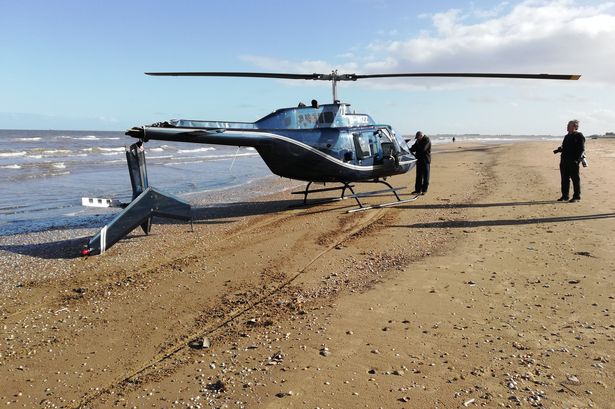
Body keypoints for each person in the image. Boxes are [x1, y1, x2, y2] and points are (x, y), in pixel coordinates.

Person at [553, 119, 585, 202]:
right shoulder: (567, 136)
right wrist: (560, 149)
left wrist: (577, 160)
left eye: (569, 125)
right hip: (564, 161)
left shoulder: (579, 136)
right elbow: (564, 147)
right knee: (564, 179)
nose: (567, 126)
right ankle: (565, 196)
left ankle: (577, 197)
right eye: (567, 125)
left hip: (573, 161)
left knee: (575, 179)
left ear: (574, 126)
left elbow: (581, 149)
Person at [409, 131, 431, 195]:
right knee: (418, 176)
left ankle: (424, 190)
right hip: (419, 160)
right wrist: (408, 149)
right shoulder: (418, 141)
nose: (417, 139)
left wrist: (416, 146)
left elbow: (423, 149)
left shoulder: (427, 140)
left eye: (418, 138)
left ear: (421, 136)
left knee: (426, 176)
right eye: (417, 138)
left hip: (425, 160)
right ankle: (417, 190)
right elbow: (414, 148)